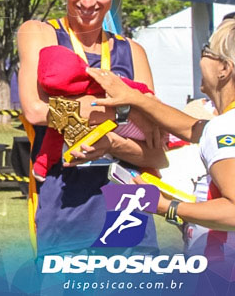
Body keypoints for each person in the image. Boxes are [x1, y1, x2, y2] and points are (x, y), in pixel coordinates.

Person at [17, 0, 166, 254]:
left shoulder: (133, 52)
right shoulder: (40, 33)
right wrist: (120, 112)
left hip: (131, 215)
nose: (87, 1)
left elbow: (155, 152)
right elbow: (35, 111)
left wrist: (109, 141)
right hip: (65, 214)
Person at [87, 18, 235, 264]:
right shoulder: (221, 125)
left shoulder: (223, 127)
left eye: (205, 51)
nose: (200, 60)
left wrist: (164, 206)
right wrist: (137, 99)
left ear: (224, 69)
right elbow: (193, 129)